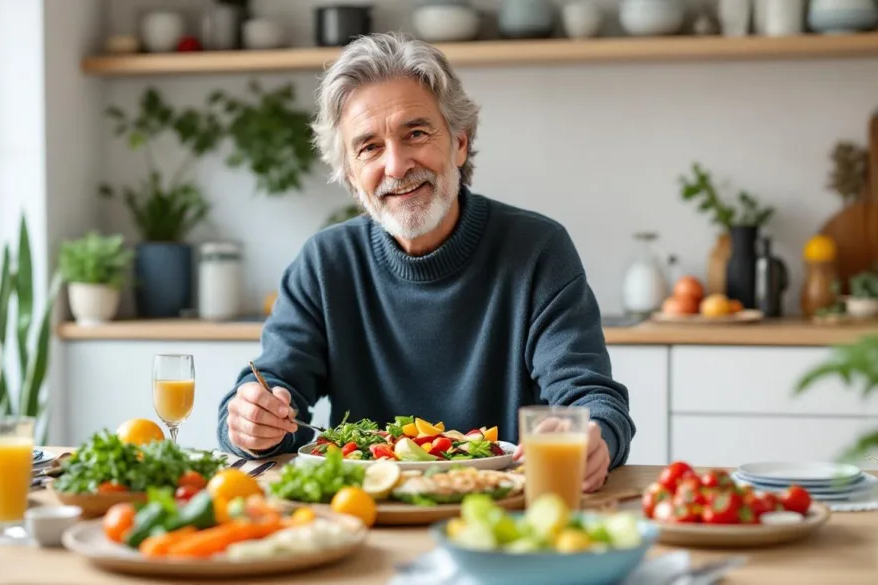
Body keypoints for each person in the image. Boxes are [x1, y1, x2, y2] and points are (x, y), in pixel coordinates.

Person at [217, 32, 635, 492]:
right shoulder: (324, 262)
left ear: (459, 142)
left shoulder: (538, 249)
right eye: (369, 147)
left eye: (415, 133)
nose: (396, 165)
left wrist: (596, 436)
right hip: (365, 512)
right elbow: (272, 386)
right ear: (352, 176)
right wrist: (252, 423)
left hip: (500, 511)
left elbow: (592, 398)